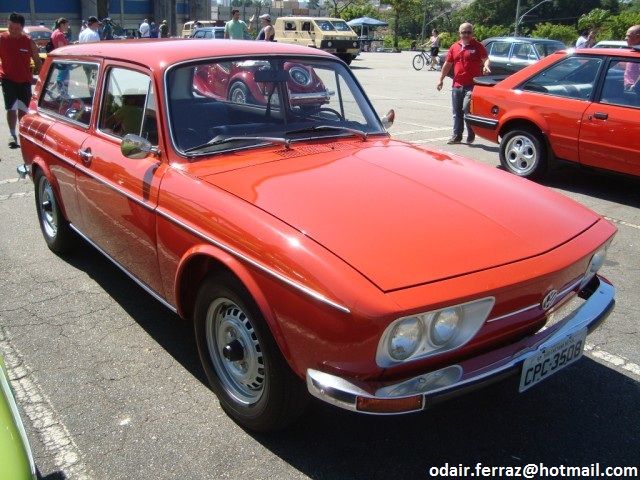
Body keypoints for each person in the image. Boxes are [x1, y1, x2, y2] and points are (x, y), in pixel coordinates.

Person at [436, 22, 490, 144]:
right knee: (457, 112)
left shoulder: (478, 46)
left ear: (472, 33)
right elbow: (447, 64)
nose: (466, 35)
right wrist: (440, 79)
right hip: (457, 85)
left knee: (467, 109)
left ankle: (471, 132)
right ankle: (457, 135)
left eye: (468, 32)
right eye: (463, 32)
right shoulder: (454, 47)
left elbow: (485, 59)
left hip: (472, 85)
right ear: (459, 33)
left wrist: (486, 66)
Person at [0, 12, 42, 148]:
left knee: (23, 110)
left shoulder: (29, 42)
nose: (12, 31)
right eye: (10, 27)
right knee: (11, 108)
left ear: (22, 28)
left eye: (16, 29)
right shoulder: (2, 39)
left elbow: (37, 60)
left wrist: (41, 77)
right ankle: (12, 135)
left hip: (24, 80)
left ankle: (22, 134)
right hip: (7, 79)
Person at [624, 24, 640, 91]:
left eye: (628, 36)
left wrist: (634, 87)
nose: (625, 38)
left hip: (634, 92)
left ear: (638, 37)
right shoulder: (633, 52)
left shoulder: (637, 53)